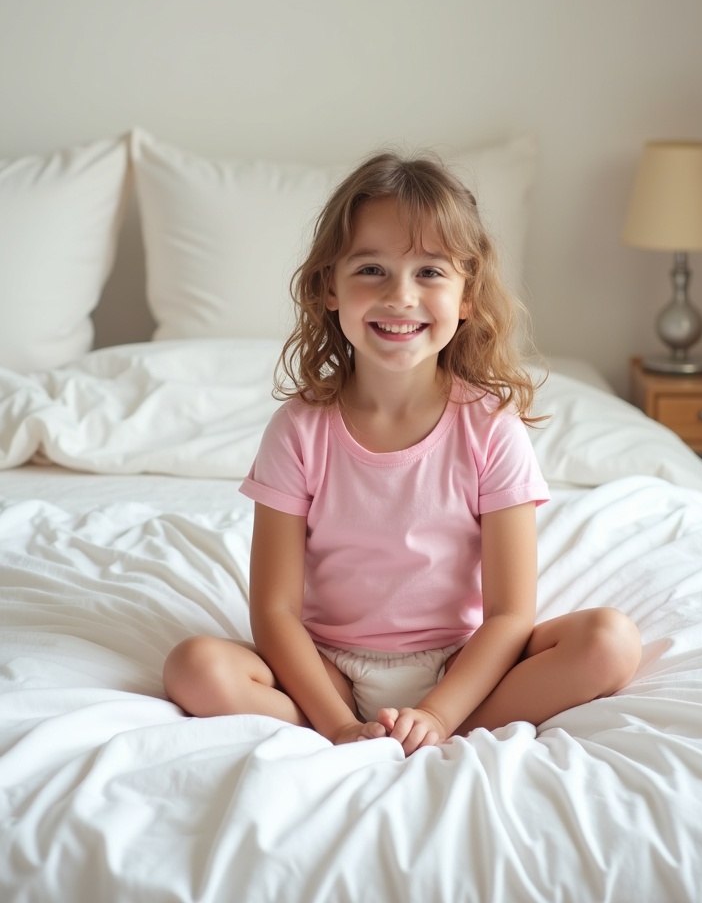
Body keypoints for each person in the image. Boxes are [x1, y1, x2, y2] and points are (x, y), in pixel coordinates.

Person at [163, 150, 642, 756]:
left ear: (467, 296)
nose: (400, 296)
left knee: (611, 641)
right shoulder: (298, 429)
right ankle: (354, 730)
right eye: (371, 270)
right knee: (194, 668)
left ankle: (439, 734)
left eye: (430, 273)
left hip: (463, 670)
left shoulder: (491, 428)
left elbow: (509, 615)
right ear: (328, 288)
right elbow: (276, 610)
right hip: (329, 669)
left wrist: (439, 714)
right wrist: (337, 723)